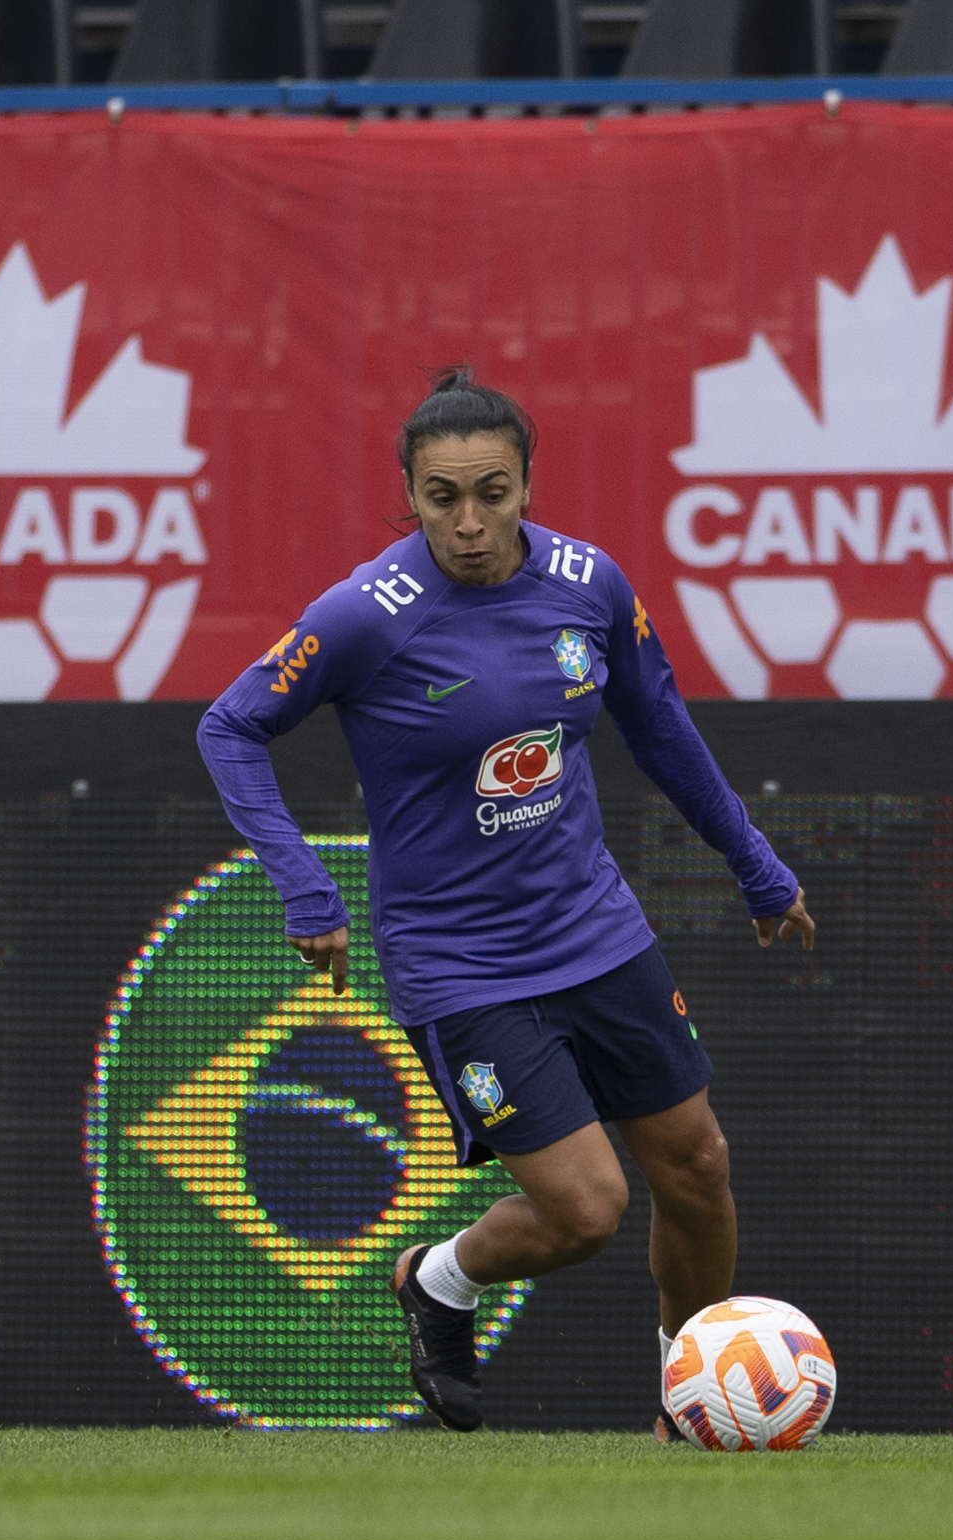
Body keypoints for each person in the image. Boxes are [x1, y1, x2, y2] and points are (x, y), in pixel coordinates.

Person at [198, 371, 815, 1436]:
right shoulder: (364, 614)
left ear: (528, 484)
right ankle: (438, 1278)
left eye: (492, 491)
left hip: (597, 930)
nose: (470, 522)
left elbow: (660, 729)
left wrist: (755, 862)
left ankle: (693, 1402)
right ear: (409, 492)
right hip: (461, 964)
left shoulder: (589, 584)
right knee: (585, 1210)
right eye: (443, 497)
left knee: (698, 1167)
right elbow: (230, 726)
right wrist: (304, 886)